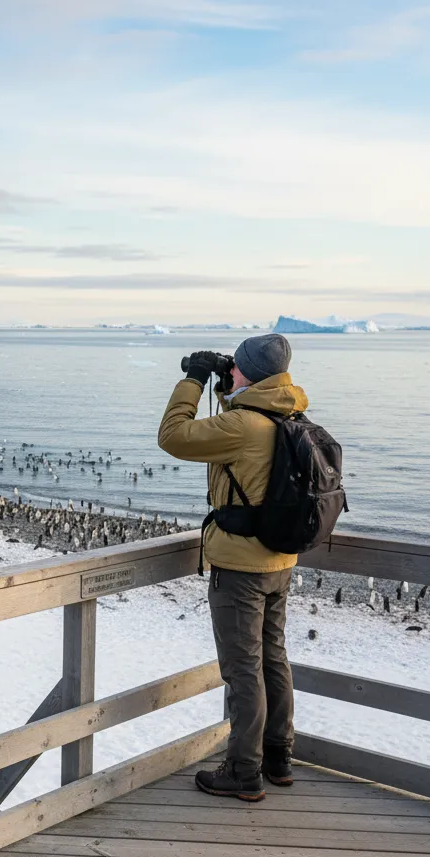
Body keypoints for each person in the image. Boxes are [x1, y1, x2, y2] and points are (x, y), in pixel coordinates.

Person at [157, 334, 308, 801]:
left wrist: (193, 380)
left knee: (243, 670)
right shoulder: (288, 413)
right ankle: (278, 756)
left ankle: (244, 770)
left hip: (239, 568)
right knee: (273, 659)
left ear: (250, 374)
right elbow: (239, 428)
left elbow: (173, 437)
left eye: (237, 368)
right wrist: (230, 385)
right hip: (279, 561)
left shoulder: (244, 425)